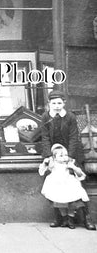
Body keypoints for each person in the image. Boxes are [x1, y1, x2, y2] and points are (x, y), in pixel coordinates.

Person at [38, 90, 96, 230]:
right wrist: (48, 156)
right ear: (49, 104)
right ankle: (59, 218)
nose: (57, 106)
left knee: (78, 187)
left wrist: (70, 156)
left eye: (59, 103)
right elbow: (45, 137)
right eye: (54, 103)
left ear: (64, 103)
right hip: (54, 156)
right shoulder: (46, 116)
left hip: (71, 154)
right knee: (55, 186)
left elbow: (73, 136)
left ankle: (86, 219)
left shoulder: (69, 116)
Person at [39, 144, 91, 229]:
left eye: (65, 155)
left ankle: (71, 219)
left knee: (72, 201)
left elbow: (81, 175)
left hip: (69, 184)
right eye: (61, 156)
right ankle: (65, 219)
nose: (64, 158)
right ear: (54, 158)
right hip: (57, 184)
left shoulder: (70, 163)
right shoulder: (53, 164)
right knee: (59, 201)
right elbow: (41, 171)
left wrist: (73, 167)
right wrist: (45, 163)